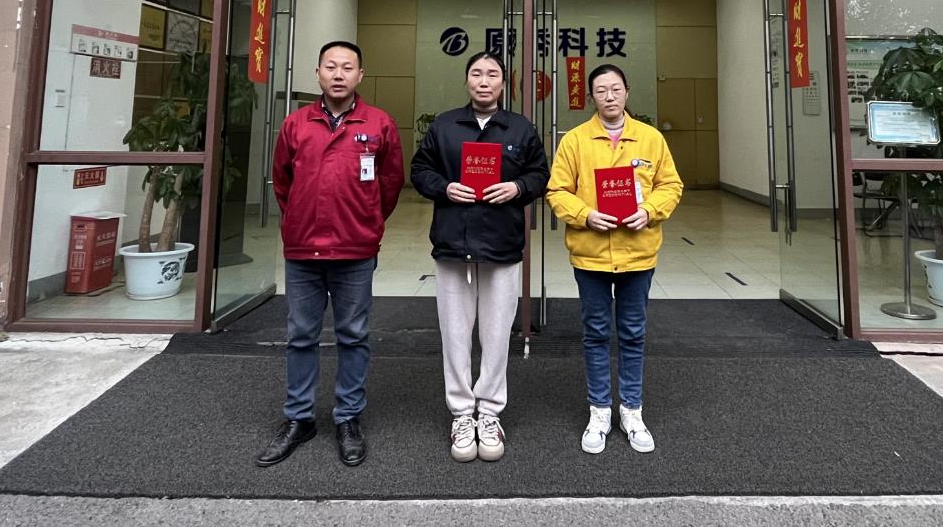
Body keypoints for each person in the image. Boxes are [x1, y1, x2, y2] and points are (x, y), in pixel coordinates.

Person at [257, 40, 404, 469]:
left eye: (347, 67)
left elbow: (390, 183)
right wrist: (299, 220)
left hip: (355, 249)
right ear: (318, 73)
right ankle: (299, 418)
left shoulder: (379, 123)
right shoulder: (295, 124)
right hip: (303, 249)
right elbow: (283, 181)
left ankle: (348, 417)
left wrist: (366, 220)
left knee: (353, 335)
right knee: (301, 335)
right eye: (331, 66)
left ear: (360, 75)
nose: (339, 74)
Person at [410, 51, 550, 463]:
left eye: (492, 74)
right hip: (453, 246)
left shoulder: (520, 128)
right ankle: (461, 413)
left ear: (504, 83)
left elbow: (541, 174)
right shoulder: (445, 125)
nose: (484, 81)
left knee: (496, 335)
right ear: (467, 80)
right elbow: (419, 170)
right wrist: (444, 187)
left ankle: (489, 412)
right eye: (476, 73)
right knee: (454, 335)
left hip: (501, 247)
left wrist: (517, 188)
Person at [546, 63, 682, 455]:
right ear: (592, 97)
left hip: (637, 253)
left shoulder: (650, 139)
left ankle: (632, 411)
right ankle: (600, 410)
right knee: (594, 332)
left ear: (627, 93)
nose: (609, 96)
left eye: (616, 88)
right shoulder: (575, 140)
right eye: (602, 90)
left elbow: (671, 185)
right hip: (590, 254)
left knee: (633, 332)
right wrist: (585, 214)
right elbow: (556, 191)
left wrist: (650, 210)